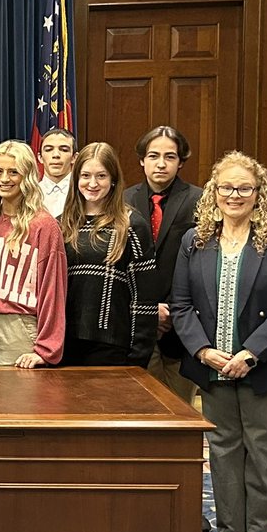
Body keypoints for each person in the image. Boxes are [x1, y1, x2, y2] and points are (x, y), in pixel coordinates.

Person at [173, 152, 267, 532]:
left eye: (244, 188)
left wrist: (251, 353)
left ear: (258, 193)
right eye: (226, 187)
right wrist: (202, 350)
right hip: (213, 364)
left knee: (262, 445)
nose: (234, 195)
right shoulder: (194, 240)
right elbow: (180, 305)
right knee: (223, 446)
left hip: (265, 364)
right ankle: (229, 527)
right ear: (214, 192)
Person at [0, 140, 66, 368]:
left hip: (20, 329)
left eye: (14, 172)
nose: (4, 179)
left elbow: (53, 289)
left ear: (28, 176)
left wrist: (47, 348)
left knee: (17, 403)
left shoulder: (44, 226)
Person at [58, 142, 157, 366]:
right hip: (64, 342)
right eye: (85, 175)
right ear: (75, 179)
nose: (92, 183)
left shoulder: (131, 224)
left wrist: (139, 353)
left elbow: (145, 298)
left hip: (112, 346)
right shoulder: (60, 225)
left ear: (113, 180)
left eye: (101, 176)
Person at [124, 126, 201, 402]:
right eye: (153, 155)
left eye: (170, 157)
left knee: (182, 410)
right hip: (137, 325)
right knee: (144, 410)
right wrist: (148, 310)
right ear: (142, 160)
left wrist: (171, 309)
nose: (160, 163)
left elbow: (201, 267)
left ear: (181, 162)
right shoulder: (123, 200)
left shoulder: (199, 200)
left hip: (182, 325)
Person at [38, 127, 77, 218]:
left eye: (64, 150)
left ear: (74, 157)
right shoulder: (28, 194)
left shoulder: (84, 192)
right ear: (40, 157)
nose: (56, 155)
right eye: (48, 149)